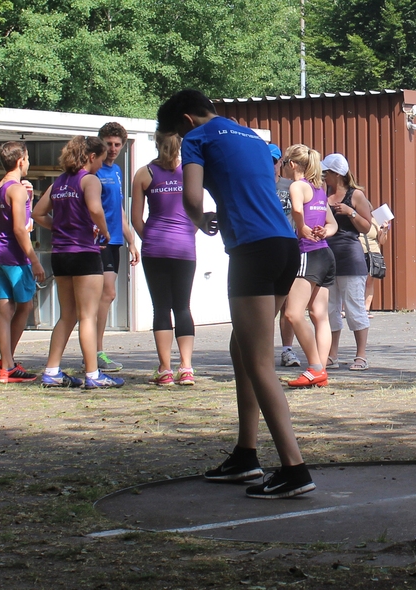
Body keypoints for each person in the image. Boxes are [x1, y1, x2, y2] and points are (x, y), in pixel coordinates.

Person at [157, 89, 315, 499]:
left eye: (177, 134)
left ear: (186, 121)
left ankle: (294, 469)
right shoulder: (254, 138)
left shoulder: (197, 137)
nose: (179, 142)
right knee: (241, 347)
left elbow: (191, 197)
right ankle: (246, 454)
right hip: (284, 246)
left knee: (259, 362)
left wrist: (200, 219)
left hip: (252, 250)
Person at [31, 136, 124, 389]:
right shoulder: (89, 180)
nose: (101, 165)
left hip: (60, 255)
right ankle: (93, 375)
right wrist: (104, 231)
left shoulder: (59, 182)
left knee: (67, 315)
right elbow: (95, 209)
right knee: (87, 316)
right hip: (84, 253)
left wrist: (59, 227)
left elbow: (37, 213)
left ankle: (52, 371)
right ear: (91, 157)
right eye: (100, 159)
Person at [131, 131, 197, 386]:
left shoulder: (144, 173)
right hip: (184, 248)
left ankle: (166, 369)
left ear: (156, 143)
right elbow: (197, 212)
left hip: (155, 248)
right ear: (180, 144)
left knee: (160, 307)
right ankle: (187, 367)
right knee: (183, 306)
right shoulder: (191, 172)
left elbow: (136, 219)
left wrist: (151, 238)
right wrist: (185, 235)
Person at [281, 144, 338, 387]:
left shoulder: (297, 186)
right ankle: (321, 372)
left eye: (284, 163)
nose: (283, 167)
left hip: (308, 254)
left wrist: (302, 227)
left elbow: (296, 209)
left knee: (293, 313)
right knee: (319, 315)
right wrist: (325, 231)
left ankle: (314, 367)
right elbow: (332, 224)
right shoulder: (319, 189)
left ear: (292, 164)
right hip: (326, 255)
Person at [0, 141, 46, 383]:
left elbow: (18, 219)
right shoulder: (17, 190)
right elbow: (20, 229)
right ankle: (8, 364)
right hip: (15, 256)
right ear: (20, 161)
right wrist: (35, 260)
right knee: (25, 306)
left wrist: (28, 199)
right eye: (28, 158)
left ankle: (5, 364)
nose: (29, 163)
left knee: (4, 308)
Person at [94, 122, 140, 372]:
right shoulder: (94, 170)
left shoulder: (117, 171)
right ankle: (95, 351)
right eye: (108, 144)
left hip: (114, 241)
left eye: (117, 144)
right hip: (98, 242)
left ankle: (95, 351)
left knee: (106, 295)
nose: (112, 148)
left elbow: (118, 209)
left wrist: (131, 240)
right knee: (105, 294)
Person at [322, 153, 373, 370]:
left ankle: (361, 356)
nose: (323, 176)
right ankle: (331, 354)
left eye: (326, 172)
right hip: (327, 257)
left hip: (350, 258)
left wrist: (350, 212)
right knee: (330, 308)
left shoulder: (355, 195)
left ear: (337, 174)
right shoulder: (323, 194)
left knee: (354, 307)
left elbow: (367, 227)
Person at [272, 143, 300, 368]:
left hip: (289, 248)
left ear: (280, 163)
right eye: (266, 161)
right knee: (264, 304)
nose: (270, 165)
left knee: (287, 304)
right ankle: (261, 350)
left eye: (274, 161)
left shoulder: (290, 186)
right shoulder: (257, 185)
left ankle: (287, 350)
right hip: (266, 249)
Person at [359, 215, 390, 316]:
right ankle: (346, 309)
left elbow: (382, 241)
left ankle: (366, 309)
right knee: (354, 282)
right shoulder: (355, 219)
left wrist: (385, 230)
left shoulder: (375, 221)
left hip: (373, 254)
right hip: (357, 252)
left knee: (369, 282)